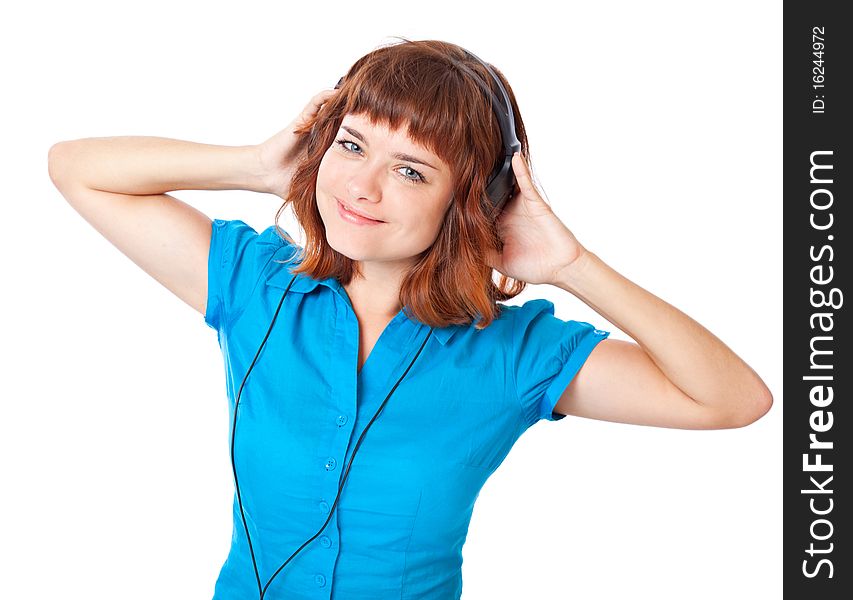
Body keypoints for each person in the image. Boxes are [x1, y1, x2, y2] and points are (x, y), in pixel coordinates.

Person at [48, 38, 772, 600]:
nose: (361, 186)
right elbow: (74, 166)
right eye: (352, 146)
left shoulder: (514, 353)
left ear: (469, 202)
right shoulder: (258, 287)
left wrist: (571, 265)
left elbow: (734, 399)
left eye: (410, 170)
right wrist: (259, 167)